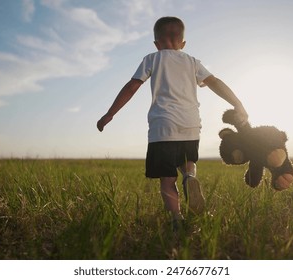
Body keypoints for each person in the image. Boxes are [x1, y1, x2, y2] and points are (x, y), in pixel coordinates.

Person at [97, 16, 248, 229]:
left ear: (157, 44)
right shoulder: (192, 61)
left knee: (167, 179)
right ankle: (190, 177)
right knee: (187, 162)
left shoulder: (152, 59)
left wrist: (110, 113)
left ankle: (177, 219)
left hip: (163, 127)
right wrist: (238, 103)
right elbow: (215, 83)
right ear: (183, 43)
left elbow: (132, 87)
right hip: (191, 125)